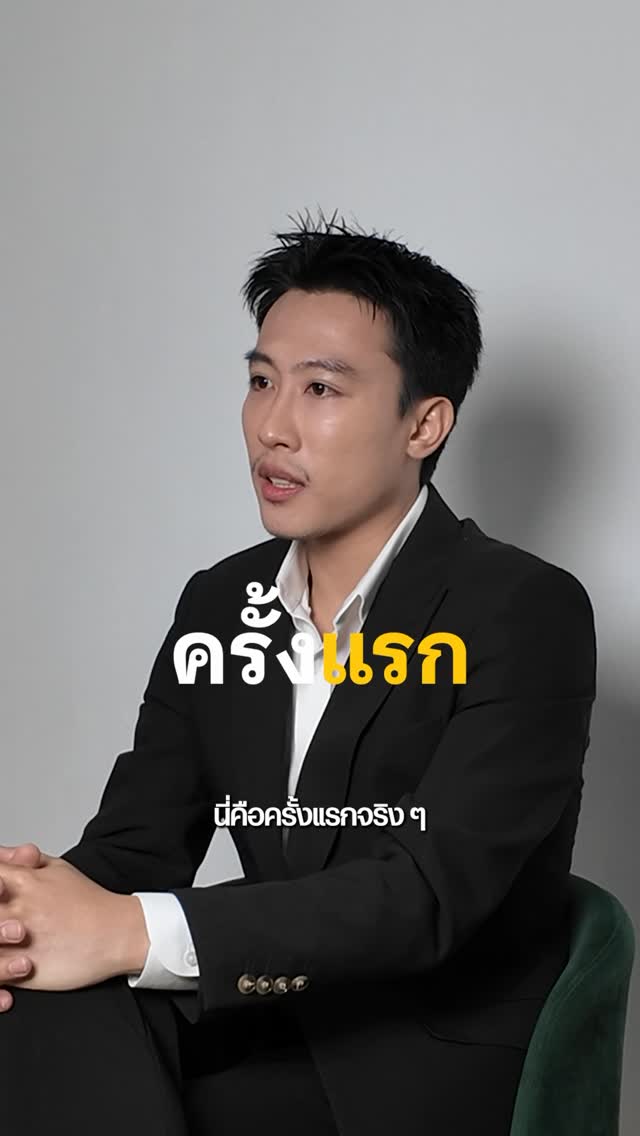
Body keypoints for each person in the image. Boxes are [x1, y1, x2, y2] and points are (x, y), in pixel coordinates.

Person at [0, 209, 596, 1135]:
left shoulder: (525, 610)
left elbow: (425, 894)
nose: (272, 427)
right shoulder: (220, 602)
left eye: (320, 388)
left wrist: (126, 932)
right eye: (260, 381)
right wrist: (21, 919)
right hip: (251, 1010)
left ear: (424, 423)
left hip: (413, 1053)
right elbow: (135, 850)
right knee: (27, 1010)